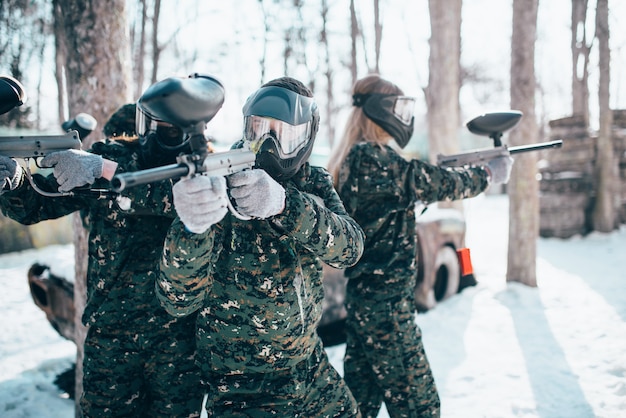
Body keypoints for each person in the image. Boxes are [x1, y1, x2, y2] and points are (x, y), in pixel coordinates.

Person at [155, 76, 365, 417]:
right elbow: (177, 300)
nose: (268, 143)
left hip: (310, 368)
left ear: (307, 135)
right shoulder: (217, 180)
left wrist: (287, 204)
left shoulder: (311, 181)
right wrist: (193, 226)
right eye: (258, 129)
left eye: (283, 133)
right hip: (242, 388)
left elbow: (350, 248)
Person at [0, 87, 215, 416]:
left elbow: (178, 199)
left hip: (178, 339)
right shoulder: (101, 160)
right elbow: (35, 207)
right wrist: (15, 182)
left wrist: (106, 169)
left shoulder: (200, 168)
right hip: (112, 336)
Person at [327, 73, 514, 418]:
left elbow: (398, 198)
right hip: (387, 312)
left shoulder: (354, 158)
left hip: (364, 304)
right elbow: (431, 181)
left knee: (360, 406)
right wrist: (487, 175)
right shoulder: (373, 159)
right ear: (380, 112)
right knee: (421, 407)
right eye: (396, 108)